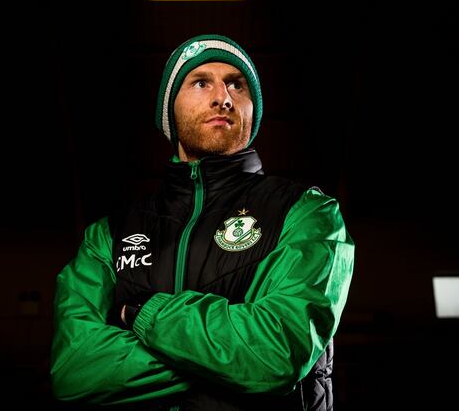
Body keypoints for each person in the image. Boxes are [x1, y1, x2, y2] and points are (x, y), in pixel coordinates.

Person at [50, 34, 355, 410]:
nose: (223, 97)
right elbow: (74, 369)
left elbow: (276, 354)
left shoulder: (307, 212)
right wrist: (223, 360)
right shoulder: (108, 235)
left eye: (236, 85)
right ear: (169, 110)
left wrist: (145, 315)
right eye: (200, 82)